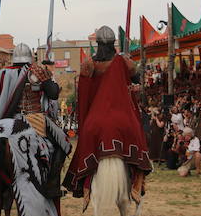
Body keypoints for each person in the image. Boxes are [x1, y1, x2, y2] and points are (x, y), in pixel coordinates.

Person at [0, 42, 71, 216]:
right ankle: (51, 185)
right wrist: (48, 78)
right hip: (35, 120)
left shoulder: (3, 74)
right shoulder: (36, 71)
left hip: (7, 119)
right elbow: (54, 94)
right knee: (62, 143)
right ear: (30, 57)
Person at [63, 26, 151, 203]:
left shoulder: (88, 64)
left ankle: (86, 185)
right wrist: (127, 65)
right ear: (112, 44)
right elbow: (137, 78)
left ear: (97, 44)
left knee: (87, 142)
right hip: (121, 114)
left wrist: (85, 119)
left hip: (96, 117)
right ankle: (137, 183)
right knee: (139, 137)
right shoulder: (123, 61)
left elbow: (84, 95)